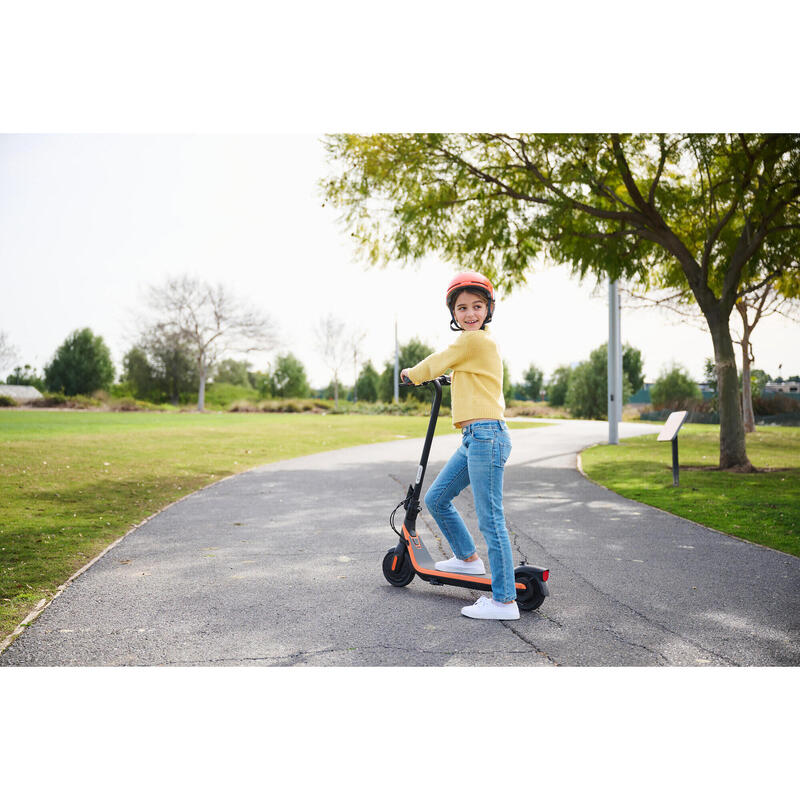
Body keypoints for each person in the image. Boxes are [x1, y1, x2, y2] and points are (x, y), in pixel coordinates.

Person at [400, 271, 518, 620]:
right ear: (453, 312)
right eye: (462, 307)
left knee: (490, 519)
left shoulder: (472, 340)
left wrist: (412, 373)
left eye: (477, 306)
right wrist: (454, 378)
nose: (469, 314)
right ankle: (468, 559)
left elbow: (436, 360)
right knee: (436, 498)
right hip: (475, 438)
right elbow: (471, 375)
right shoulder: (480, 346)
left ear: (488, 309)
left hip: (486, 436)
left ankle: (504, 601)